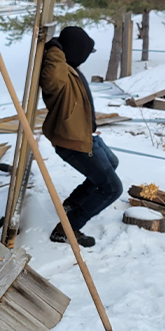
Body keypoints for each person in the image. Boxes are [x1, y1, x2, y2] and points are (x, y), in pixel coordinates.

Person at [39, 27, 123, 247]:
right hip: (73, 141)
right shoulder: (58, 69)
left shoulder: (69, 67)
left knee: (112, 163)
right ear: (74, 51)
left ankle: (73, 203)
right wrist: (55, 48)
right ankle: (67, 227)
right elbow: (50, 80)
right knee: (112, 188)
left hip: (85, 135)